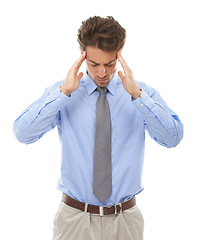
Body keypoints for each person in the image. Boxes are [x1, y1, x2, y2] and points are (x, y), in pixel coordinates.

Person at [13, 16, 183, 240]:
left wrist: (137, 96)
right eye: (94, 64)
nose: (102, 73)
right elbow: (23, 134)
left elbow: (173, 138)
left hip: (125, 221)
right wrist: (63, 93)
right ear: (82, 55)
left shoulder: (141, 94)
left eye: (109, 64)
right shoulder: (64, 92)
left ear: (119, 54)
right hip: (75, 219)